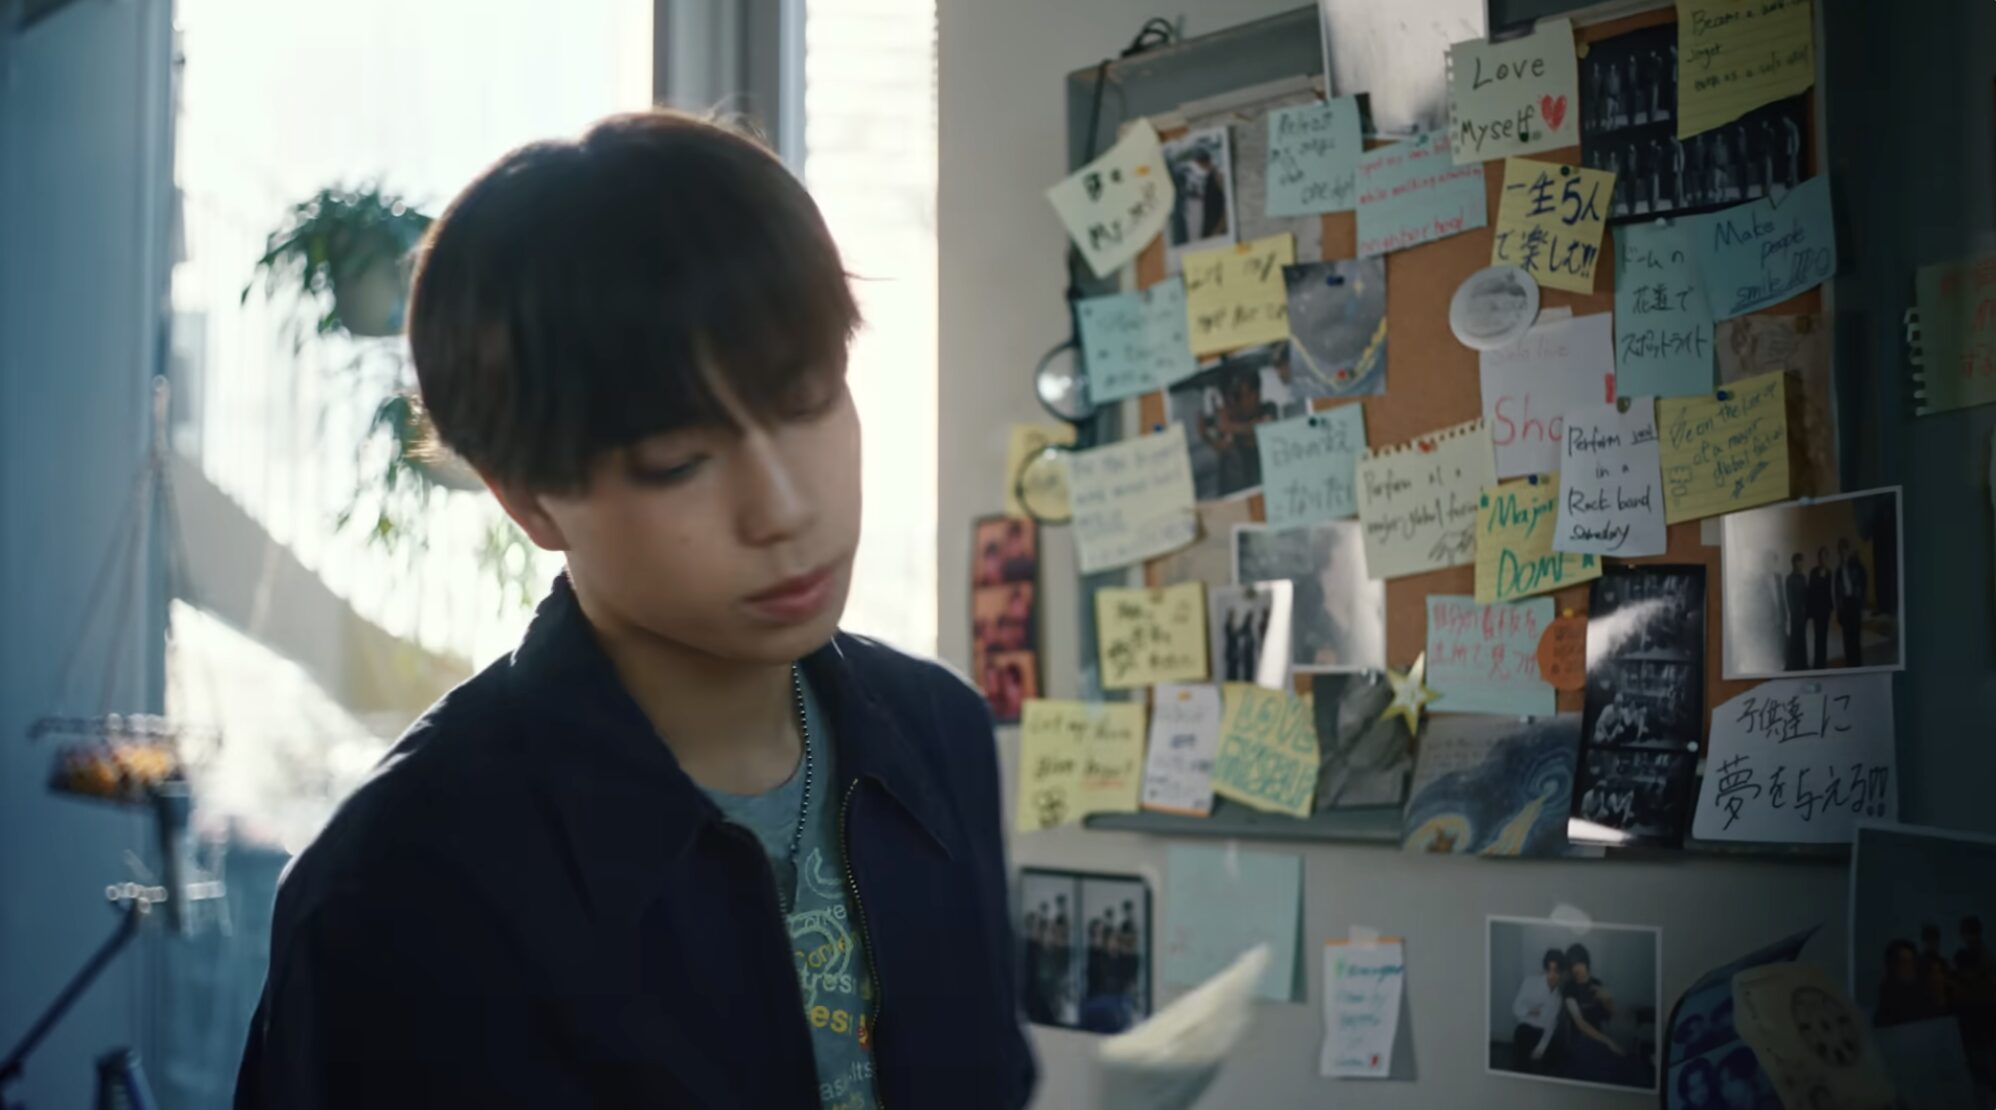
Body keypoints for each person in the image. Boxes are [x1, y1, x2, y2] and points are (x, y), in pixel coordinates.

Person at [233, 111, 1035, 1109]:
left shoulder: (937, 736)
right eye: (679, 463)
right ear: (528, 499)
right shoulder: (399, 884)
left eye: (808, 401)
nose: (784, 507)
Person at [1512, 948, 1568, 1073]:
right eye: (1549, 970)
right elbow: (1516, 1008)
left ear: (1562, 973)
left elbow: (1551, 1026)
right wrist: (1529, 1011)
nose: (1552, 975)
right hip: (1526, 1029)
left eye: (1556, 971)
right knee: (1522, 1035)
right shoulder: (1530, 982)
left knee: (1555, 1058)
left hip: (1543, 1035)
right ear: (1545, 969)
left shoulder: (1558, 998)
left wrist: (1540, 1049)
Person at [1876, 938, 1942, 1026]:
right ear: (1893, 966)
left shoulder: (1925, 992)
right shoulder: (1887, 995)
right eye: (1904, 962)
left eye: (1912, 961)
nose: (1910, 967)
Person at [1835, 537, 1868, 667]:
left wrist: (1862, 605)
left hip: (1855, 603)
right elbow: (1837, 592)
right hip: (1845, 605)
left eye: (1844, 550)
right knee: (1847, 637)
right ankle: (1850, 663)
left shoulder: (1857, 566)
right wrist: (1839, 611)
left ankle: (1857, 664)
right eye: (1840, 551)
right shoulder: (1839, 570)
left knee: (1855, 636)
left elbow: (1863, 584)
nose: (1842, 553)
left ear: (1848, 550)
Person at [1807, 547, 1835, 670]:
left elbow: (1829, 591)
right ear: (1818, 558)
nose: (1822, 559)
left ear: (1826, 558)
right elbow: (1811, 591)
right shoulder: (1813, 572)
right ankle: (1817, 664)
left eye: (1824, 557)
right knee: (1818, 637)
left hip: (1825, 610)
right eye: (1821, 556)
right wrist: (1810, 611)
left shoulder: (1829, 572)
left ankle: (1822, 663)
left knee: (1824, 637)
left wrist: (1831, 608)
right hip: (1816, 610)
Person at [1784, 553, 1810, 671]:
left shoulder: (1803, 578)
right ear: (1793, 563)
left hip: (1803, 614)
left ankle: (1803, 664)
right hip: (1795, 616)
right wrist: (1795, 613)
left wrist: (1806, 611)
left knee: (1802, 639)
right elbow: (1789, 599)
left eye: (1801, 562)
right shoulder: (1789, 579)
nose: (1800, 564)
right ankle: (1794, 665)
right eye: (1798, 562)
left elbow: (1807, 595)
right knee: (1795, 640)